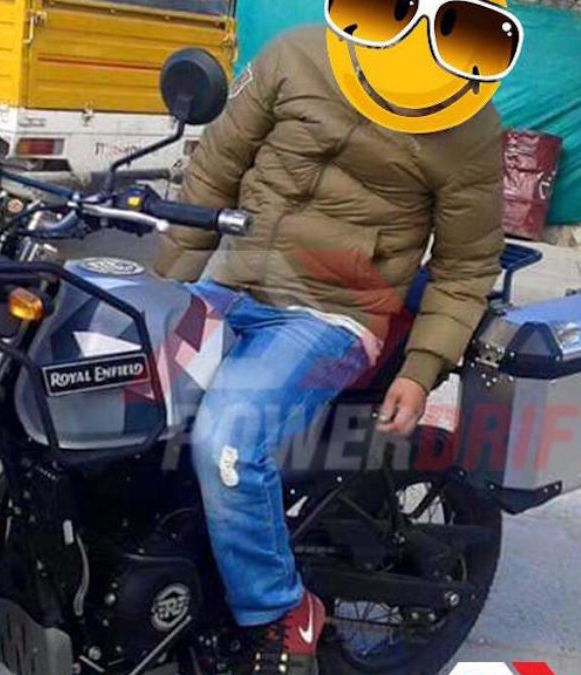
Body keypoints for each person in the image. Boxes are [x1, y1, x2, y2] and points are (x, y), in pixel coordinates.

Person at [154, 27, 505, 675]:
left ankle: (280, 610)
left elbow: (466, 265)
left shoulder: (470, 124)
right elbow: (215, 170)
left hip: (335, 312)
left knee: (229, 440)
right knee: (116, 394)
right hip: (232, 281)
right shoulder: (296, 55)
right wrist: (164, 293)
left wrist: (422, 369)